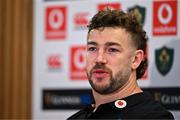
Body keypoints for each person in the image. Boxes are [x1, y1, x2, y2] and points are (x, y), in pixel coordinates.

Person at [67, 8, 174, 119]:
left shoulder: (154, 117)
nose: (99, 59)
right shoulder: (77, 118)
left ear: (135, 60)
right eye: (93, 48)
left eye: (112, 50)